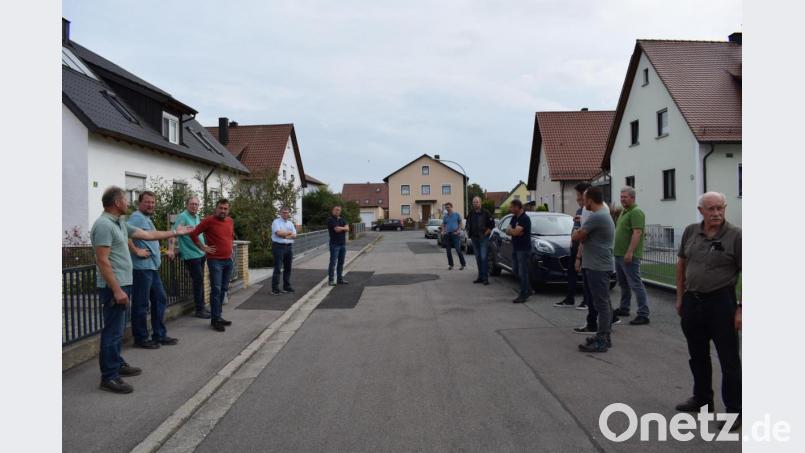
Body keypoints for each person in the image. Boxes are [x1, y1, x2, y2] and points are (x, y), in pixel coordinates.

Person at [91, 186, 193, 393]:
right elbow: (102, 261)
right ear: (116, 203)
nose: (128, 203)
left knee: (118, 330)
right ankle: (109, 377)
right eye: (125, 199)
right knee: (112, 331)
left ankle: (117, 364)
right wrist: (117, 290)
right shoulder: (103, 225)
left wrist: (176, 232)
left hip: (123, 282)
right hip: (115, 286)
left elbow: (147, 234)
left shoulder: (119, 223)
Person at [674, 192, 741, 431]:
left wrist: (741, 309)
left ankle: (735, 411)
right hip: (693, 301)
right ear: (701, 210)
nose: (716, 213)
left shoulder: (736, 235)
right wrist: (680, 297)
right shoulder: (691, 232)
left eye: (720, 208)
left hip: (721, 302)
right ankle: (702, 399)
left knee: (729, 359)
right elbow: (682, 263)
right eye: (711, 209)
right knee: (698, 355)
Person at [127, 191, 179, 349]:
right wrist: (136, 250)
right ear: (140, 203)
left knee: (160, 299)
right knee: (141, 304)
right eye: (147, 202)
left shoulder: (146, 218)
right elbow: (126, 235)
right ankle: (141, 338)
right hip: (141, 268)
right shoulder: (136, 217)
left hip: (151, 268)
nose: (150, 205)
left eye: (152, 202)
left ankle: (159, 335)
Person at [572, 187, 615, 352]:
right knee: (604, 303)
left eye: (584, 200)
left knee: (601, 304)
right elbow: (583, 236)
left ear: (590, 200)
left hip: (598, 266)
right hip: (599, 265)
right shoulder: (603, 214)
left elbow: (577, 236)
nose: (583, 203)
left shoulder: (597, 217)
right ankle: (604, 336)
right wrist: (582, 234)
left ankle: (602, 339)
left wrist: (578, 232)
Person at [190, 199, 235, 332]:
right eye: (220, 208)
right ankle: (215, 320)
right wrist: (203, 247)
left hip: (228, 260)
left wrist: (230, 248)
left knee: (223, 289)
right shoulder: (208, 221)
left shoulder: (230, 221)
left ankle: (218, 316)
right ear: (216, 208)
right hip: (215, 261)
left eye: (225, 208)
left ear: (228, 210)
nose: (223, 211)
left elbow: (230, 236)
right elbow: (193, 234)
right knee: (216, 289)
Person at [612, 187, 651, 325]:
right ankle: (624, 307)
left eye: (625, 197)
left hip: (629, 255)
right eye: (621, 197)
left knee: (636, 284)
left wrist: (630, 252)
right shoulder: (624, 211)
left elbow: (637, 233)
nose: (622, 199)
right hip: (619, 254)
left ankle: (643, 314)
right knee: (623, 283)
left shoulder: (636, 212)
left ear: (633, 198)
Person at [168, 196, 210, 319]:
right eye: (192, 204)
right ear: (187, 205)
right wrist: (171, 249)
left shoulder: (197, 217)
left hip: (200, 253)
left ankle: (202, 306)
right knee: (198, 281)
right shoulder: (183, 217)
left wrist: (204, 247)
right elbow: (173, 232)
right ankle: (199, 309)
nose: (194, 206)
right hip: (191, 255)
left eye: (196, 204)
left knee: (200, 281)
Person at [555, 182, 590, 308]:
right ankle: (570, 298)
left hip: (584, 247)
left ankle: (587, 301)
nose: (576, 198)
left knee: (585, 274)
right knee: (571, 272)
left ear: (584, 195)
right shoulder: (579, 210)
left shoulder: (589, 211)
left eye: (578, 196)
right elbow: (575, 228)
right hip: (574, 246)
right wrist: (572, 238)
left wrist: (579, 256)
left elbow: (585, 232)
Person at [506, 199, 531, 303]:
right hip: (515, 248)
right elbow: (508, 230)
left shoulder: (524, 218)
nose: (510, 209)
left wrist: (514, 232)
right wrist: (514, 231)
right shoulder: (514, 217)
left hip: (523, 249)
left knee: (522, 272)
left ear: (517, 207)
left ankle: (523, 295)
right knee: (515, 270)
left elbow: (515, 232)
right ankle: (529, 289)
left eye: (512, 207)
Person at [466, 196, 495, 285]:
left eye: (477, 202)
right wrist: (468, 231)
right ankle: (480, 277)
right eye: (474, 202)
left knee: (483, 258)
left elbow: (492, 224)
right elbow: (468, 223)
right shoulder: (471, 213)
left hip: (483, 238)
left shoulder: (486, 212)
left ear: (480, 203)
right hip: (474, 238)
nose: (475, 204)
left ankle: (485, 278)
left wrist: (486, 233)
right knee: (478, 258)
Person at [271, 206, 297, 295]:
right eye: (284, 212)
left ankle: (287, 287)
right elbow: (278, 233)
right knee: (278, 268)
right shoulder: (276, 222)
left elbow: (295, 235)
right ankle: (275, 289)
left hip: (289, 247)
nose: (285, 214)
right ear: (280, 213)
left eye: (287, 212)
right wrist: (289, 233)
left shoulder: (290, 223)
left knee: (288, 268)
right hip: (279, 247)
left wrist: (285, 235)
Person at [327, 205, 350, 286]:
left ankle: (339, 279)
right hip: (334, 245)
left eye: (339, 210)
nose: (337, 211)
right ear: (333, 211)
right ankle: (331, 280)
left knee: (341, 262)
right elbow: (336, 230)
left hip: (342, 244)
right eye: (336, 210)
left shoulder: (342, 219)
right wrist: (344, 228)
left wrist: (342, 228)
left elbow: (348, 228)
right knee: (333, 263)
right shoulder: (331, 220)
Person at [442, 202, 466, 270]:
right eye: (446, 208)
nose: (447, 209)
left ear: (451, 207)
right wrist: (443, 231)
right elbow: (443, 224)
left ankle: (463, 264)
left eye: (448, 207)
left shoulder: (456, 214)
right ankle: (451, 265)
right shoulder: (445, 216)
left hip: (455, 234)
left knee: (458, 250)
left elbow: (460, 223)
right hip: (447, 235)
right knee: (448, 251)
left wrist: (458, 231)